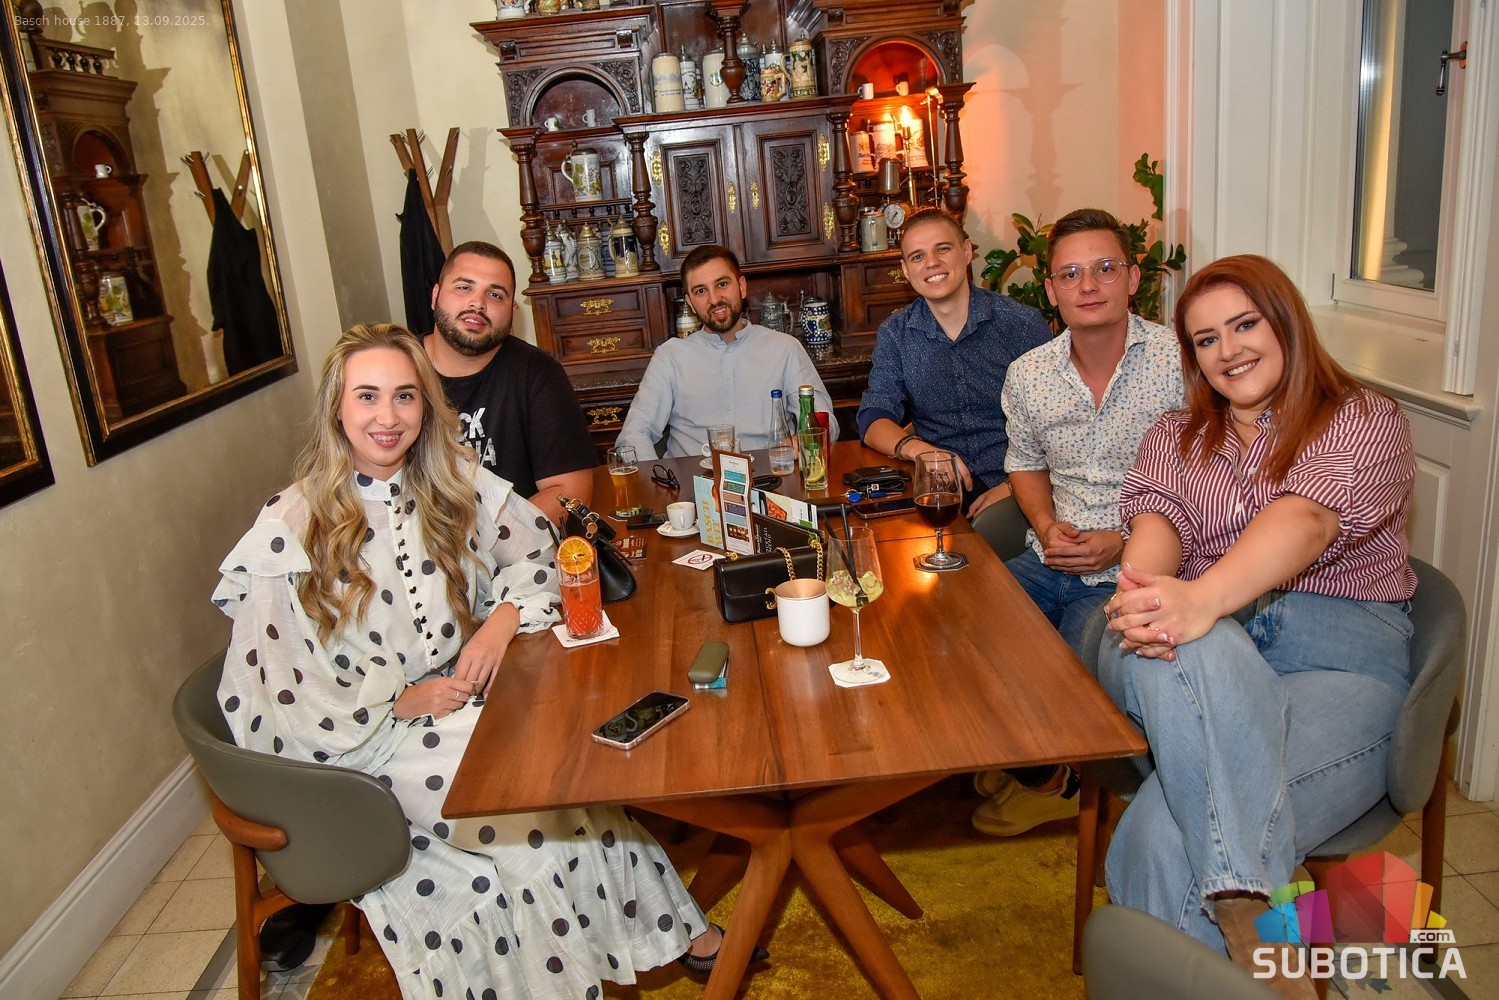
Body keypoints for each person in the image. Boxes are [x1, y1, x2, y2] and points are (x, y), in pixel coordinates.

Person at [214, 324, 743, 998]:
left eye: (405, 396)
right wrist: (396, 704)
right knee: (533, 844)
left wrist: (501, 621)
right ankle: (652, 953)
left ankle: (682, 937)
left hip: (463, 705)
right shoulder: (291, 524)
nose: (387, 416)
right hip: (364, 745)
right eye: (367, 396)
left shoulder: (453, 481)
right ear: (336, 409)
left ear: (425, 405)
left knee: (571, 791)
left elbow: (541, 551)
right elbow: (276, 687)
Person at [1098, 256, 1415, 997]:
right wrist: (1152, 598)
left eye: (1244, 325)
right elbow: (1156, 527)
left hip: (1342, 662)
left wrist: (1201, 599)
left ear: (1287, 322)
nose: (1228, 350)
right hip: (1204, 667)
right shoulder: (1174, 435)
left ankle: (1239, 897)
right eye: (1206, 339)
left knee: (1160, 832)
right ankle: (1252, 907)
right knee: (1193, 639)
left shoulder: (1362, 417)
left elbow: (1305, 519)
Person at [971, 208, 1184, 838]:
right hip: (1050, 557)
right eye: (1070, 274)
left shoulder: (1181, 362)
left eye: (1104, 268)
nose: (1087, 285)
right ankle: (1034, 763)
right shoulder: (1030, 374)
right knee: (963, 633)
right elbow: (1025, 463)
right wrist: (1044, 522)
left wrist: (1124, 542)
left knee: (1062, 667)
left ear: (1133, 278)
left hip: (1139, 571)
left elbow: (1212, 482)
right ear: (1052, 289)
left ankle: (1055, 781)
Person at [857, 208, 1051, 518]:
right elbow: (873, 418)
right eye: (918, 256)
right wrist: (921, 451)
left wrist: (1014, 485)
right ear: (906, 270)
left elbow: (1059, 423)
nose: (931, 263)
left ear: (966, 251)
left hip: (1016, 482)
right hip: (939, 486)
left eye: (943, 249)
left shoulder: (1021, 325)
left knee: (986, 533)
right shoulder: (896, 334)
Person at [424, 240, 596, 524]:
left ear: (512, 311)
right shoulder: (399, 371)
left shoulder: (538, 373)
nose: (478, 303)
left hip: (515, 545)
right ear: (435, 296)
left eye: (495, 294)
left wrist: (485, 539)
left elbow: (571, 491)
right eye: (464, 287)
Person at [614, 244, 836, 458]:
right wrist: (657, 478)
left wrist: (803, 441)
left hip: (769, 475)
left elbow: (826, 423)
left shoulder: (785, 349)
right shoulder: (670, 357)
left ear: (741, 287)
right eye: (701, 291)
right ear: (690, 303)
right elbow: (634, 435)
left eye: (722, 284)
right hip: (692, 479)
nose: (714, 299)